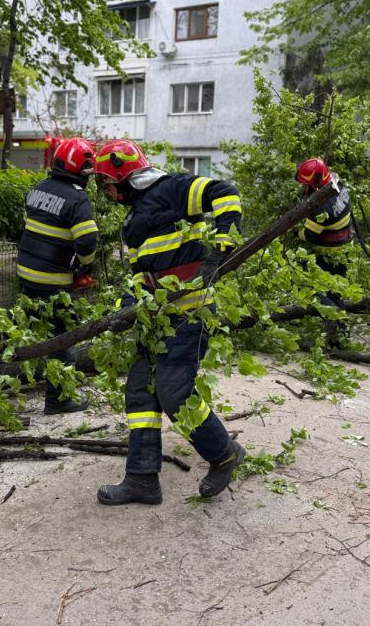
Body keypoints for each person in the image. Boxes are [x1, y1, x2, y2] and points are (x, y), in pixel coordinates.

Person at [90, 140, 246, 505]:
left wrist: (222, 248)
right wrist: (126, 308)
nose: (107, 192)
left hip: (190, 314)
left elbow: (225, 193)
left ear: (121, 177)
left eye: (106, 183)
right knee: (140, 392)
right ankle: (142, 479)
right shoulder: (132, 224)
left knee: (174, 392)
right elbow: (141, 277)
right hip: (155, 323)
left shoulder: (172, 189)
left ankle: (224, 454)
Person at [13, 136, 99, 414]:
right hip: (53, 281)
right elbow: (88, 240)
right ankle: (58, 399)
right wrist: (85, 266)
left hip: (27, 274)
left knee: (32, 323)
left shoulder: (37, 189)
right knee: (64, 338)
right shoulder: (77, 198)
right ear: (81, 170)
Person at [295, 158, 353, 343]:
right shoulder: (338, 186)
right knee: (335, 291)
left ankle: (334, 319)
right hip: (344, 249)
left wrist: (295, 230)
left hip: (328, 252)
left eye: (306, 185)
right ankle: (341, 336)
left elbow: (308, 236)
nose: (304, 188)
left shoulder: (321, 207)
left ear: (316, 183)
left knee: (308, 285)